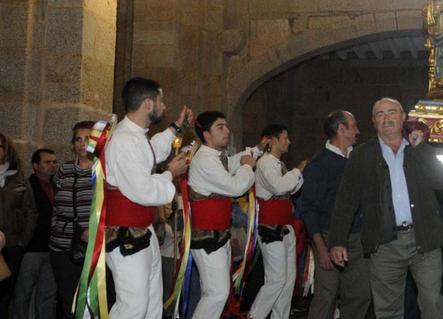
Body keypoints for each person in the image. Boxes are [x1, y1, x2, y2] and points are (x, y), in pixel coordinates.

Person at [328, 98, 443, 319]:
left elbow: (442, 182)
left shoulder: (420, 150)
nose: (387, 118)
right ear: (374, 122)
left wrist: (421, 148)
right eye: (380, 114)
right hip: (384, 244)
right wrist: (338, 240)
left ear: (403, 117)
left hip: (424, 240)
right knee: (387, 309)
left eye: (392, 112)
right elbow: (346, 201)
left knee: (432, 301)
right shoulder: (362, 155)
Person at [104, 77, 191, 318]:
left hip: (142, 230)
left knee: (152, 306)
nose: (164, 105)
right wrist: (169, 174)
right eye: (161, 100)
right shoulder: (124, 140)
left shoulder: (135, 136)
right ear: (148, 104)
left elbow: (151, 152)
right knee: (133, 308)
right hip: (125, 235)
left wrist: (176, 127)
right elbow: (143, 191)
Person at [300, 110, 371, 319]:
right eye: (354, 126)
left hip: (357, 237)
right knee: (326, 296)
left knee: (359, 295)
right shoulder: (319, 165)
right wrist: (321, 249)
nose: (358, 131)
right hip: (328, 237)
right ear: (341, 129)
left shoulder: (356, 159)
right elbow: (308, 209)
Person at [188, 110, 256, 319]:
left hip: (218, 235)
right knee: (215, 294)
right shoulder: (205, 161)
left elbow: (232, 162)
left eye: (226, 125)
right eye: (220, 127)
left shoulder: (215, 158)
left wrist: (255, 151)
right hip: (207, 237)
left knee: (215, 293)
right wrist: (247, 166)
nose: (227, 130)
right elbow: (236, 187)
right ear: (206, 134)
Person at [250, 123, 305, 319]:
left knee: (288, 281)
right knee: (276, 279)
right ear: (273, 141)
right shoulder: (265, 162)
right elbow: (279, 187)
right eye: (285, 138)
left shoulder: (279, 164)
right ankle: (255, 316)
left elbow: (292, 190)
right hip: (270, 227)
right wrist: (298, 171)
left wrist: (297, 176)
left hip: (286, 226)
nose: (288, 141)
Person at [49, 120, 95, 319]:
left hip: (92, 247)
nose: (82, 144)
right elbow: (58, 204)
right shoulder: (63, 171)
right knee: (68, 301)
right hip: (61, 246)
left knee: (91, 302)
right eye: (78, 139)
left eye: (87, 139)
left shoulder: (103, 172)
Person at [12, 148, 59, 319]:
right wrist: (22, 243)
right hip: (31, 249)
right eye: (47, 162)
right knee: (22, 295)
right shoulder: (25, 186)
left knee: (47, 296)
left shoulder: (58, 186)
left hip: (52, 248)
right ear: (35, 165)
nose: (52, 166)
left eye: (55, 162)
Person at [0, 133, 37, 316]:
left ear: (6, 151)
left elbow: (30, 211)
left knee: (5, 292)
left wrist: (23, 242)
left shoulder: (18, 177)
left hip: (12, 245)